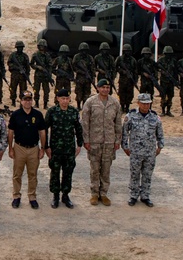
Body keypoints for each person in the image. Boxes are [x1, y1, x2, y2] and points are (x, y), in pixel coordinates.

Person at [81, 78, 122, 206]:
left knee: (106, 169)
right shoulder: (90, 102)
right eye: (103, 87)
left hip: (109, 142)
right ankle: (94, 193)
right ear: (98, 88)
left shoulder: (114, 103)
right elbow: (85, 122)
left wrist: (117, 140)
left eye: (107, 87)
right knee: (94, 169)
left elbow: (118, 123)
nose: (105, 89)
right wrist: (86, 140)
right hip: (94, 141)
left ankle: (103, 193)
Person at [7, 90, 47, 209]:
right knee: (17, 174)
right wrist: (10, 148)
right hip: (19, 147)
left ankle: (32, 197)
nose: (27, 102)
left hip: (34, 148)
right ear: (21, 101)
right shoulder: (15, 115)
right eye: (25, 99)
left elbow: (43, 132)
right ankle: (16, 196)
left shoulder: (38, 115)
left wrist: (42, 149)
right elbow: (10, 132)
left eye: (29, 99)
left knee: (32, 174)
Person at [122, 93, 164, 207]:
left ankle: (145, 196)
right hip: (135, 152)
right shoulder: (131, 116)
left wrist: (160, 146)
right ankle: (133, 195)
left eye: (148, 104)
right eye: (144, 103)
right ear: (138, 103)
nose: (146, 106)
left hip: (150, 152)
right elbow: (125, 132)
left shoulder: (155, 117)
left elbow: (160, 133)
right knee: (134, 174)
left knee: (147, 174)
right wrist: (125, 147)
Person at [45, 88, 83, 209]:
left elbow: (78, 129)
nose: (65, 101)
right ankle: (55, 196)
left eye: (67, 99)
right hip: (55, 149)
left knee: (68, 172)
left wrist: (79, 145)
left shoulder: (73, 111)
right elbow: (44, 130)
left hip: (69, 149)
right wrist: (46, 147)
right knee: (55, 172)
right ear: (57, 99)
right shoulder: (51, 112)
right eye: (62, 99)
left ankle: (65, 196)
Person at [30, 39, 54, 109]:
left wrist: (49, 75)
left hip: (45, 76)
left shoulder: (47, 56)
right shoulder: (35, 55)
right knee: (36, 90)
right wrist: (38, 67)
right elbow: (31, 64)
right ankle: (36, 103)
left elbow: (50, 66)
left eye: (43, 46)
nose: (42, 47)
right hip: (38, 75)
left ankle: (45, 104)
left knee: (46, 91)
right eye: (40, 46)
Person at [71, 42, 95, 110]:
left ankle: (84, 106)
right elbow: (74, 66)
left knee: (86, 93)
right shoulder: (77, 57)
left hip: (87, 79)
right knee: (79, 92)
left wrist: (93, 77)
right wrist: (80, 71)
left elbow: (92, 68)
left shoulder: (90, 57)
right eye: (83, 50)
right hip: (80, 78)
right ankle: (78, 106)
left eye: (85, 50)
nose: (84, 52)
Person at [115, 44, 138, 113]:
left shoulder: (133, 60)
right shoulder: (120, 59)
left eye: (129, 51)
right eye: (126, 51)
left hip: (130, 81)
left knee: (129, 94)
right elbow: (115, 67)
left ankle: (127, 107)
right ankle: (122, 107)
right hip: (122, 80)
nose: (127, 52)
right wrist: (122, 71)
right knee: (121, 93)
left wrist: (135, 80)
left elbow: (135, 71)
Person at [7, 40, 30, 105]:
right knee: (13, 89)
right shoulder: (13, 55)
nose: (20, 49)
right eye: (19, 47)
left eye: (21, 47)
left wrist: (27, 75)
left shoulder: (25, 56)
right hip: (15, 75)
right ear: (16, 48)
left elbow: (27, 66)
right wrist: (15, 67)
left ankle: (22, 102)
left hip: (22, 76)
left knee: (23, 90)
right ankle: (13, 101)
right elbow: (9, 63)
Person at [157, 46, 177, 116]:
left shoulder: (173, 61)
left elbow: (175, 71)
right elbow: (157, 67)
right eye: (167, 53)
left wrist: (176, 80)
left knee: (170, 96)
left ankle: (168, 111)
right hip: (164, 81)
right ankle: (163, 111)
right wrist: (162, 71)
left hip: (171, 81)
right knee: (163, 96)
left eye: (169, 53)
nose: (168, 55)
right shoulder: (161, 60)